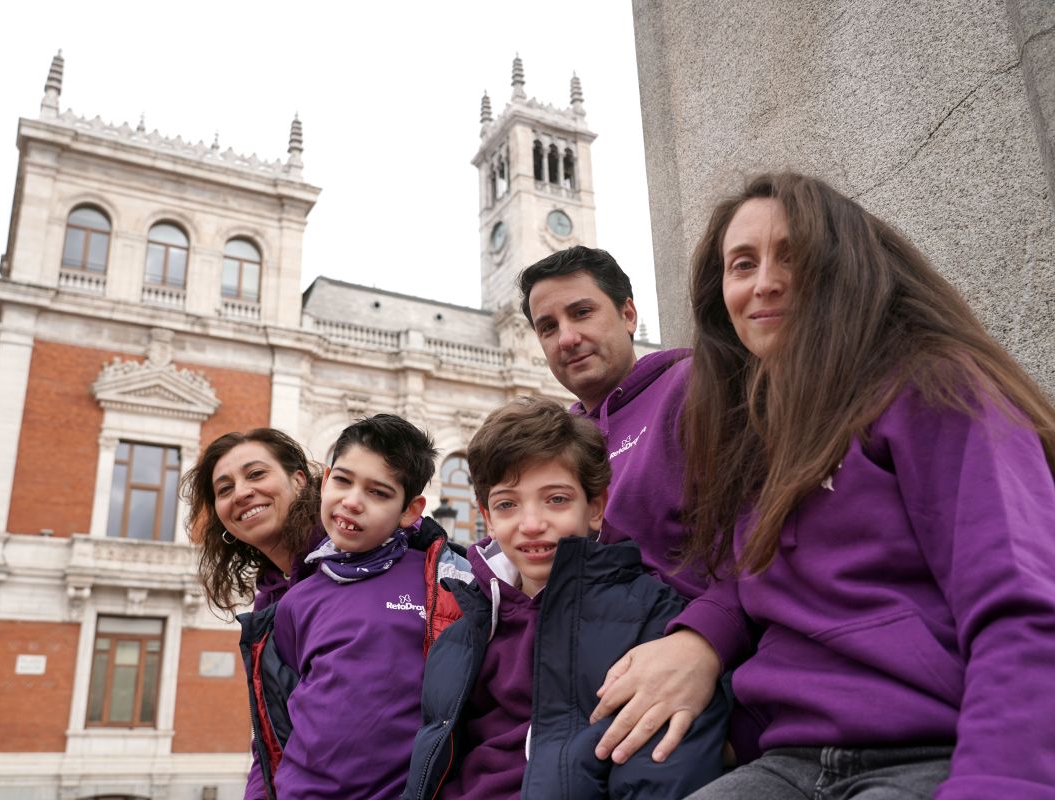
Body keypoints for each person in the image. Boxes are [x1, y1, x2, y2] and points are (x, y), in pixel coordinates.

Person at [665, 171, 1055, 797]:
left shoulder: (936, 388)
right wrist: (701, 638)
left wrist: (1000, 780)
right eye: (742, 264)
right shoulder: (754, 436)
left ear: (842, 267)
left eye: (792, 257)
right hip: (785, 764)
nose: (764, 282)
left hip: (934, 749)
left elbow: (1022, 606)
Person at [404, 396, 728, 799]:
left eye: (556, 499)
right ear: (487, 518)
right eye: (507, 504)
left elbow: (664, 773)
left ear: (595, 507)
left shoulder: (653, 619)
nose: (533, 524)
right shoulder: (462, 636)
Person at [519, 247, 735, 765]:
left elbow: (763, 537)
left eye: (582, 312)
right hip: (568, 691)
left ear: (629, 314)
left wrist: (706, 641)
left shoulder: (694, 387)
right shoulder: (552, 441)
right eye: (547, 327)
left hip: (687, 686)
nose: (566, 337)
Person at [253, 414, 471, 800]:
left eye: (378, 492)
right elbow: (273, 722)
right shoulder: (296, 601)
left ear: (410, 510)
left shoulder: (442, 583)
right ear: (325, 480)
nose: (352, 502)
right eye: (342, 480)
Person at [181, 428, 325, 800]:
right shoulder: (269, 600)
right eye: (224, 489)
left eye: (256, 474)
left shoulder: (353, 568)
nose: (241, 493)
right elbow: (270, 737)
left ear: (299, 480)